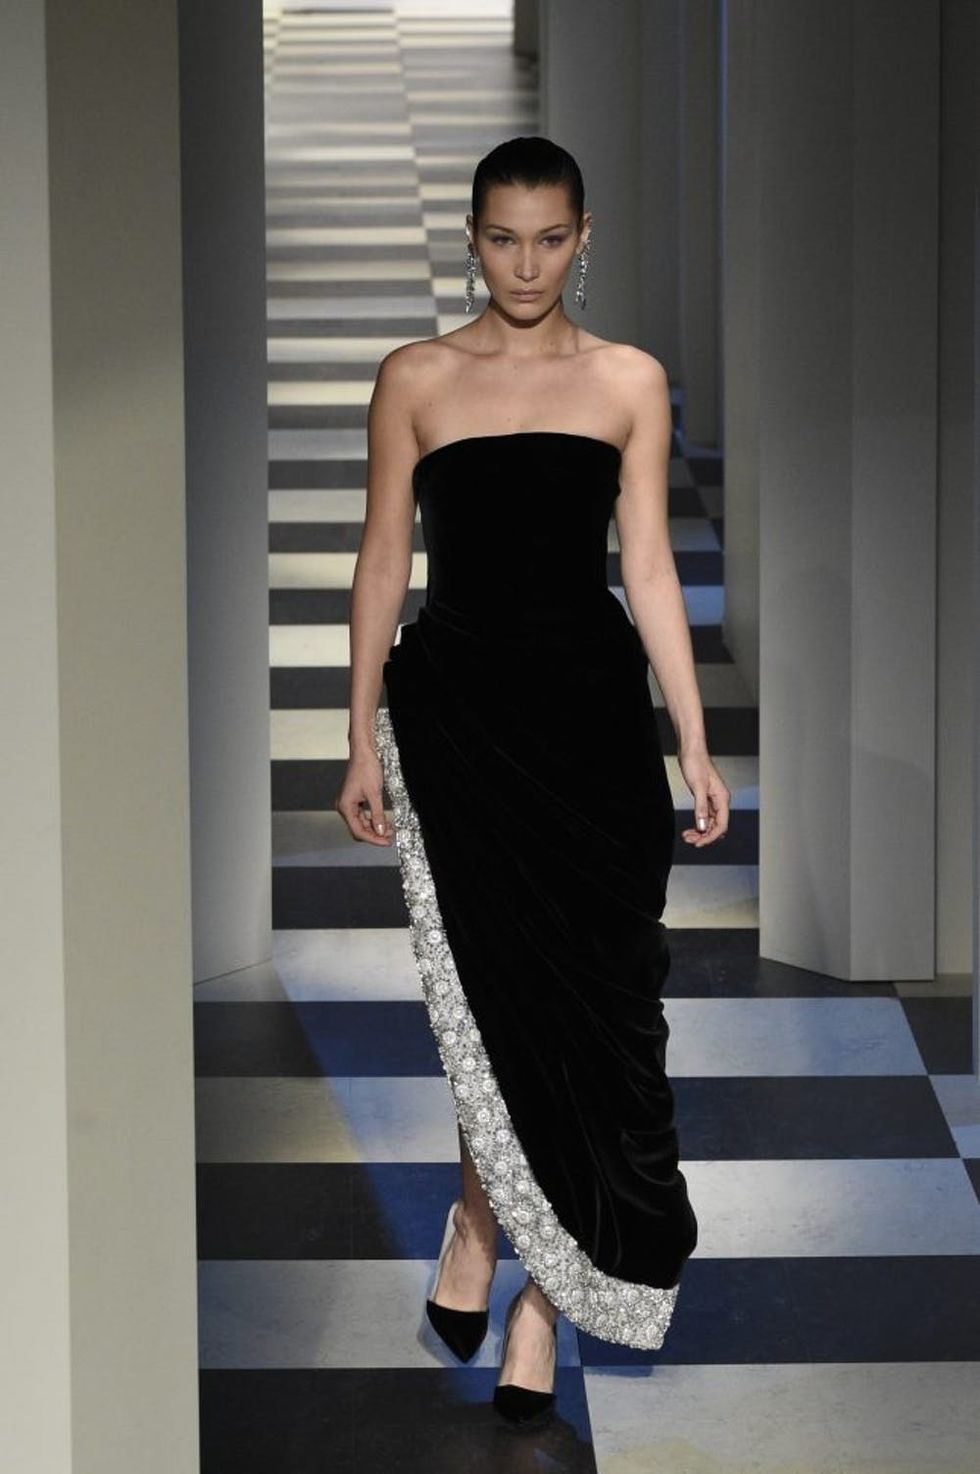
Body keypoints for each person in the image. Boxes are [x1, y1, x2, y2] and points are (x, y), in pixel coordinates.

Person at [336, 135, 730, 1427]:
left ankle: (544, 1302)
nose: (526, 264)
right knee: (489, 993)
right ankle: (476, 1215)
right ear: (473, 237)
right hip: (460, 723)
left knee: (600, 1001)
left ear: (583, 237)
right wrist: (357, 734)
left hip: (593, 730)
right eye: (503, 239)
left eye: (549, 239)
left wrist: (693, 738)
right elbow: (384, 558)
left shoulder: (628, 380)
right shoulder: (416, 378)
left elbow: (650, 566)